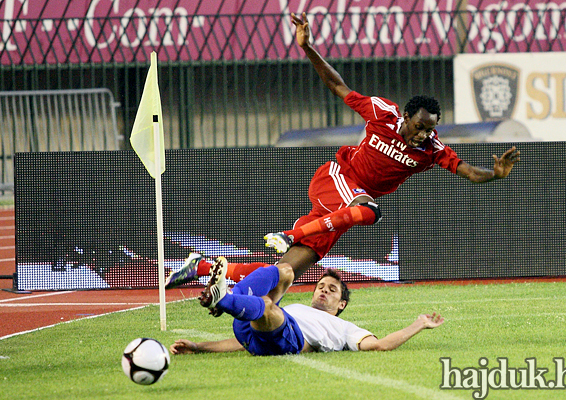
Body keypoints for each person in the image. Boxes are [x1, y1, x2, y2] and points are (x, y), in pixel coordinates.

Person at [165, 12, 521, 290]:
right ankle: (290, 234)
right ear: (407, 115)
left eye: (431, 128)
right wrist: (307, 47)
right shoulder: (382, 112)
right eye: (420, 125)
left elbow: (471, 173)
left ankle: (201, 267)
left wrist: (496, 174)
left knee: (283, 272)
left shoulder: (431, 149)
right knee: (369, 212)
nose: (424, 133)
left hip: (345, 207)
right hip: (337, 179)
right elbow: (338, 85)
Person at [170, 258, 444, 356]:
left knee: (266, 305)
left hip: (285, 339)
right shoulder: (299, 306)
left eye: (332, 289)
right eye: (321, 286)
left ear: (342, 304)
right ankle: (227, 297)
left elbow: (380, 345)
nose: (324, 289)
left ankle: (226, 298)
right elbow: (244, 343)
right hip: (255, 329)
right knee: (286, 270)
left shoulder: (346, 328)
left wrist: (419, 323)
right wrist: (198, 346)